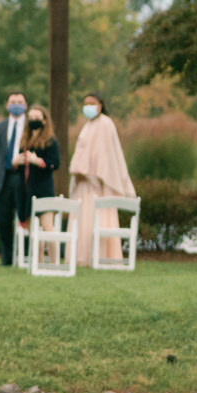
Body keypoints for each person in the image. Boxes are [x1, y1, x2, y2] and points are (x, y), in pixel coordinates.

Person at [69, 93, 135, 267]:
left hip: (97, 184)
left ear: (100, 105)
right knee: (81, 219)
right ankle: (81, 257)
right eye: (85, 104)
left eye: (92, 103)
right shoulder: (87, 126)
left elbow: (106, 154)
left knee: (97, 217)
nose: (88, 107)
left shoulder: (105, 124)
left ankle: (102, 256)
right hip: (82, 183)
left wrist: (92, 173)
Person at [0, 91, 30, 267]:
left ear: (25, 105)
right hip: (3, 180)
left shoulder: (31, 127)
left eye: (19, 101)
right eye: (13, 101)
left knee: (25, 218)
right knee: (3, 221)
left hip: (23, 179)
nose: (16, 104)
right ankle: (7, 259)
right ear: (7, 105)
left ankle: (25, 257)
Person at [13, 104, 63, 265]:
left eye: (37, 118)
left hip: (44, 190)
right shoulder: (25, 141)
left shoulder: (50, 141)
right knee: (33, 230)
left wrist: (38, 161)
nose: (33, 121)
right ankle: (38, 262)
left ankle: (55, 262)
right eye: (31, 118)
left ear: (44, 121)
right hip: (27, 190)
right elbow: (19, 168)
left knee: (47, 227)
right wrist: (16, 162)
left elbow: (55, 164)